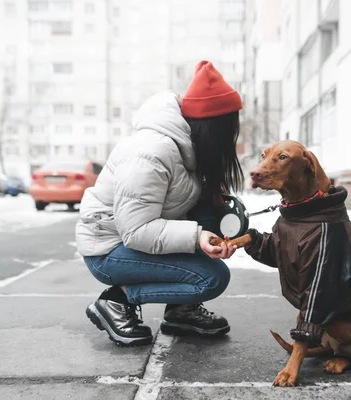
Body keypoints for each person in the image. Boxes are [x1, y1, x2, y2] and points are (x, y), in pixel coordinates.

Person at [76, 61, 244, 346]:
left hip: (132, 242)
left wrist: (219, 215)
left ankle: (181, 311)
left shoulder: (186, 148)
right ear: (209, 130)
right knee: (212, 278)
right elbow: (136, 231)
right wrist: (197, 236)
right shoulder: (149, 153)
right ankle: (117, 300)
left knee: (210, 215)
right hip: (108, 249)